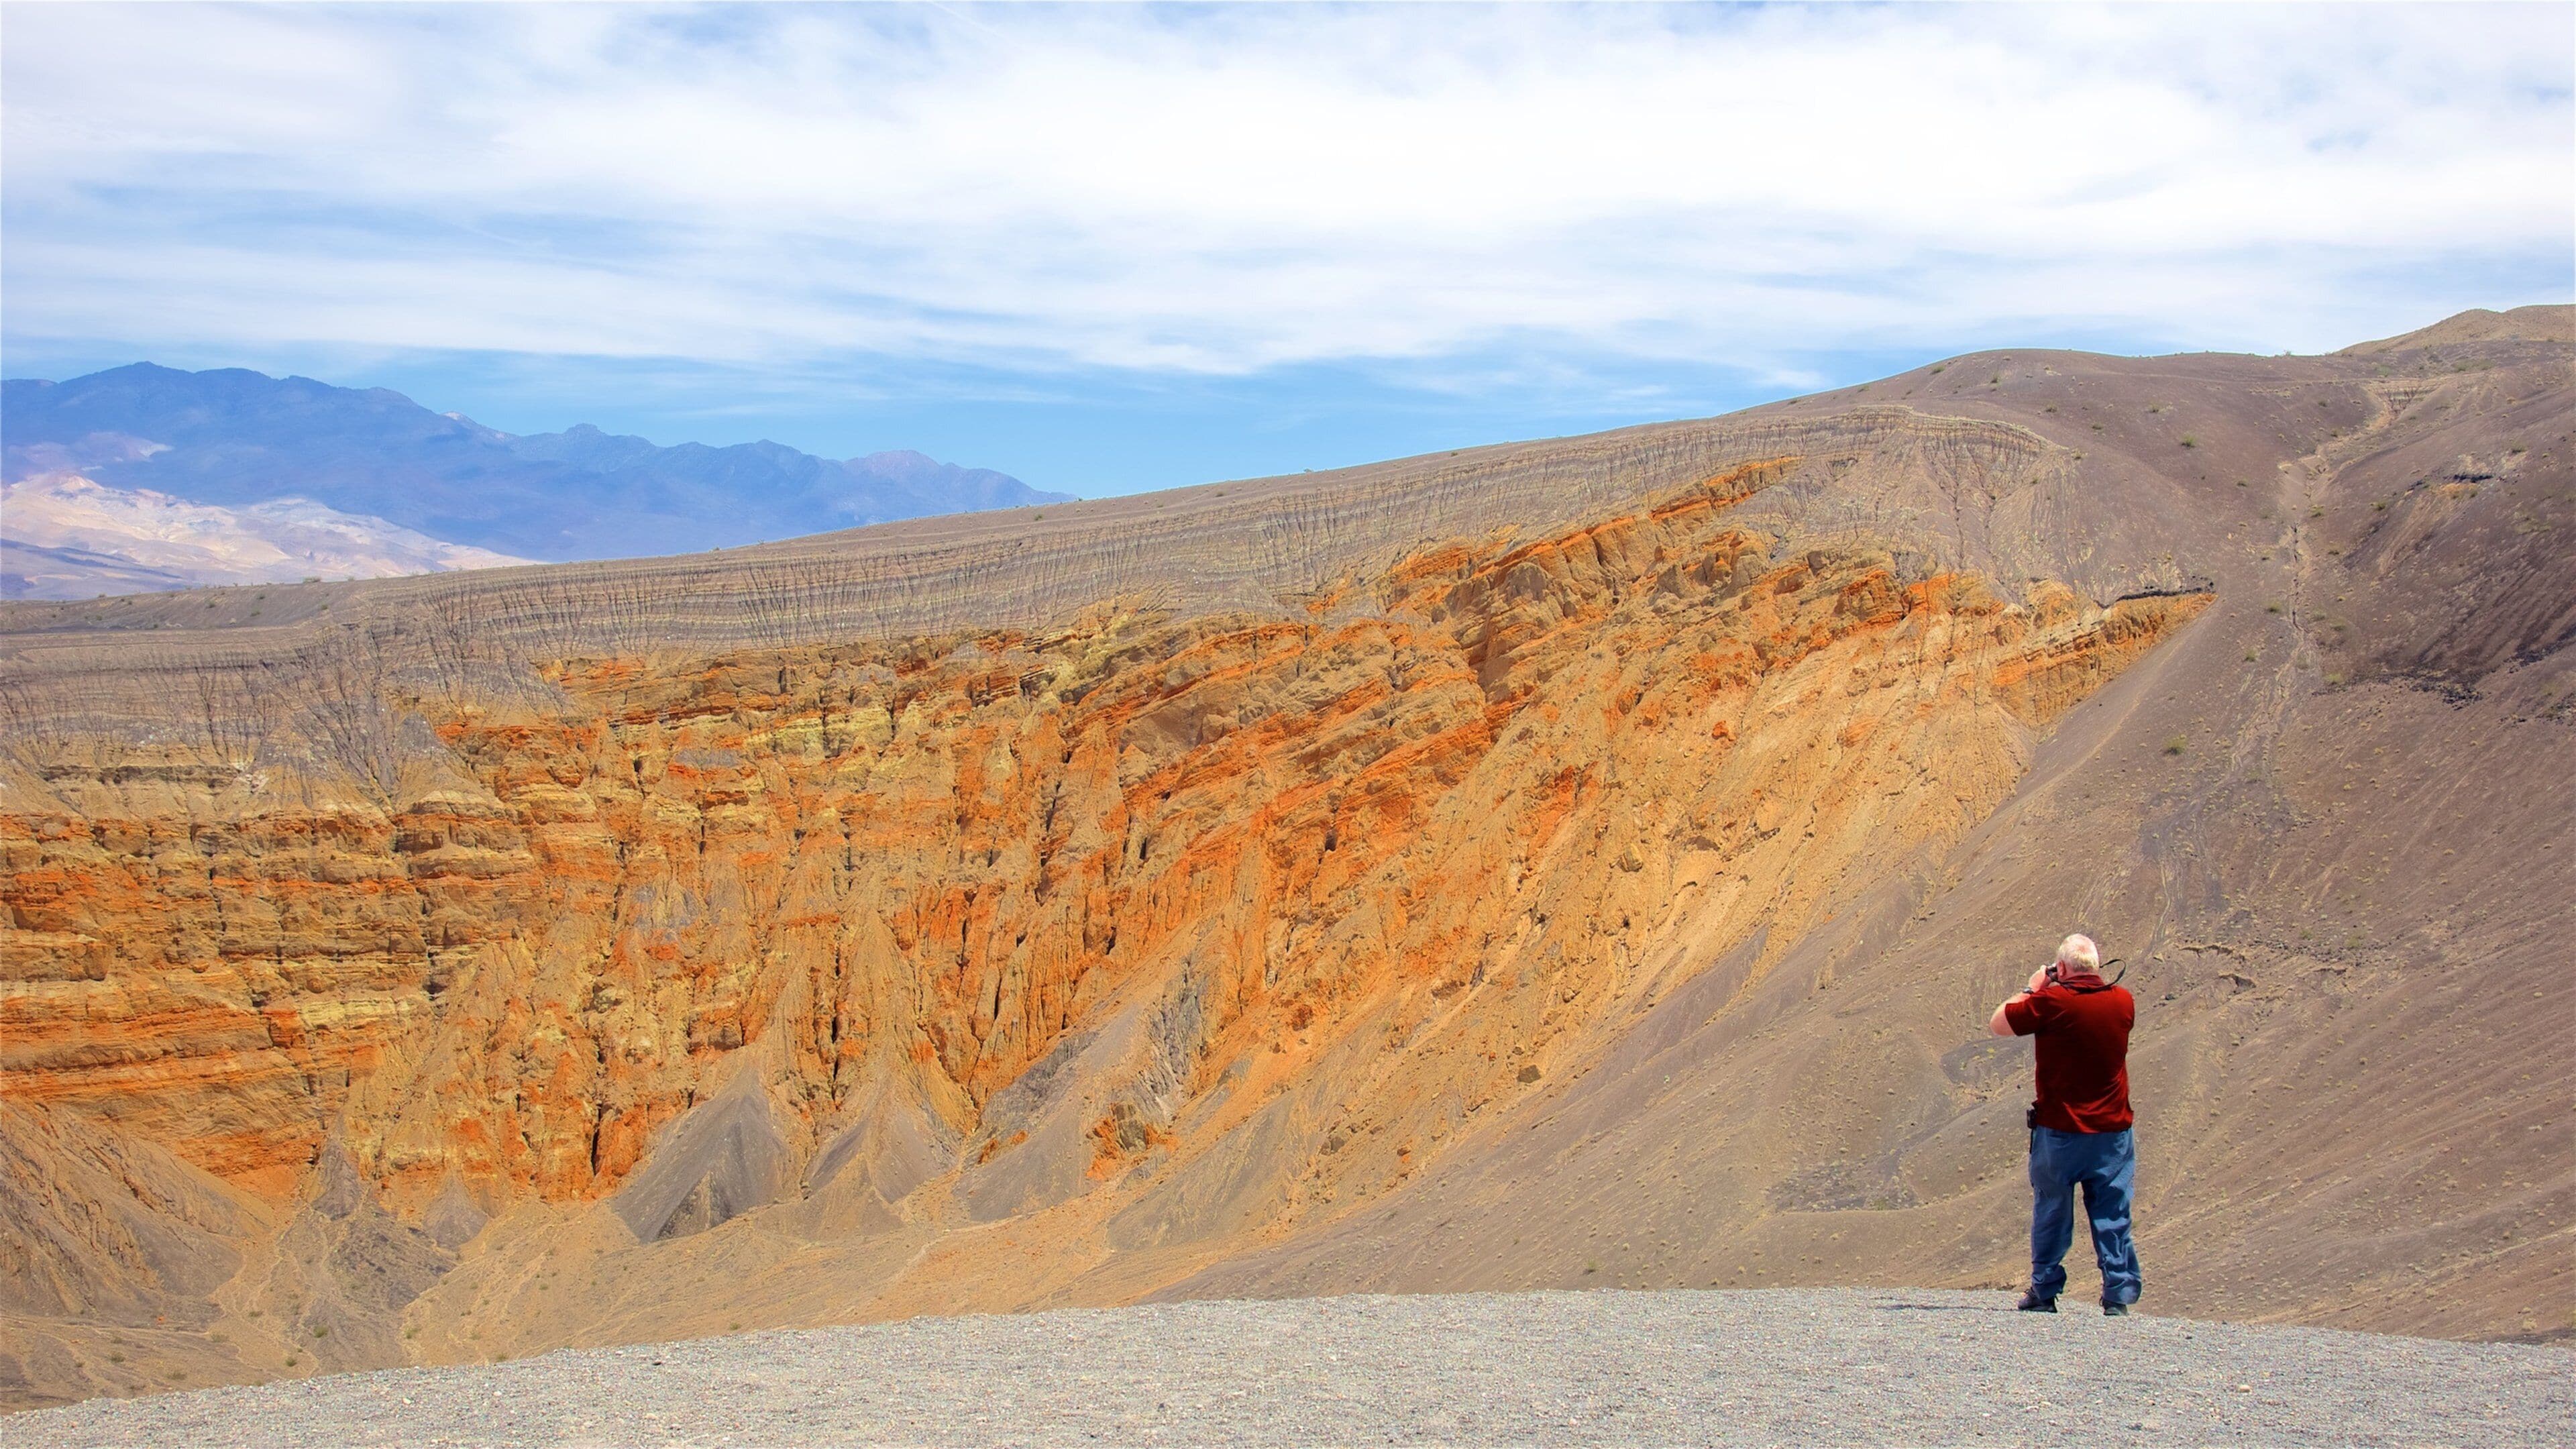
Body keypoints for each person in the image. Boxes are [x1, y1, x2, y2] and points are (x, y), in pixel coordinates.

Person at [1987, 932, 2141, 1316]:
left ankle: (2044, 1291)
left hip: (2060, 1131)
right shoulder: (2123, 1002)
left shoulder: (2052, 1001)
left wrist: (2034, 985)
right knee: (2113, 1213)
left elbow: (1999, 1023)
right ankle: (2118, 1295)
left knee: (2053, 1209)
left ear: (2064, 968)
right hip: (2112, 1132)